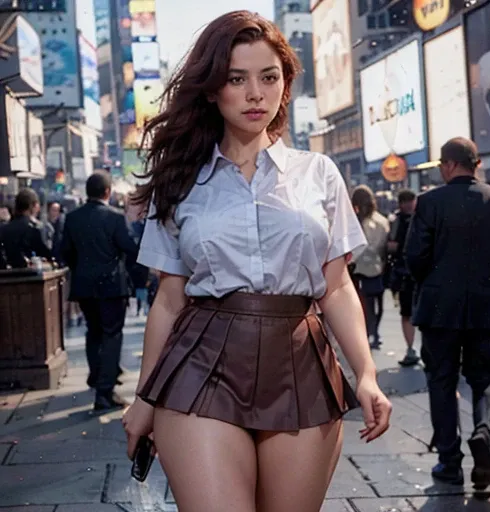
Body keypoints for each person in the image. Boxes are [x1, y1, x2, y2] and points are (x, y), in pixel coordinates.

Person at [122, 11, 392, 512]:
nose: (255, 94)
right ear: (210, 90)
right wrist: (143, 398)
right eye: (236, 79)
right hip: (200, 362)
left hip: (301, 363)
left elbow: (336, 289)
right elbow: (168, 299)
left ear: (285, 85)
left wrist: (367, 373)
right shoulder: (181, 180)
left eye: (269, 77)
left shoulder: (320, 173)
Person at [405, 137, 490, 490]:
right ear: (476, 163)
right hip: (487, 307)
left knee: (442, 381)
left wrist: (435, 280)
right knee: (487, 377)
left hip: (439, 309)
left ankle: (449, 462)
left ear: (448, 165)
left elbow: (415, 257)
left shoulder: (430, 203)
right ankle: (484, 432)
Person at [61, 171, 138, 411]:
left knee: (93, 331)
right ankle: (105, 393)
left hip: (84, 286)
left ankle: (97, 377)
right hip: (112, 285)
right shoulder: (114, 218)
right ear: (107, 191)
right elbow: (129, 246)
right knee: (112, 334)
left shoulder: (72, 218)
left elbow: (65, 252)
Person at [351, 185, 390, 350]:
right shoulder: (382, 220)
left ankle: (369, 332)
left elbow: (359, 247)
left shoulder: (360, 222)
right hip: (379, 266)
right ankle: (375, 332)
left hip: (360, 268)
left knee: (366, 303)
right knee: (378, 302)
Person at [387, 189, 420, 367]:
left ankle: (413, 349)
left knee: (410, 313)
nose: (408, 204)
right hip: (408, 274)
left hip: (413, 273)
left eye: (410, 200)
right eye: (405, 201)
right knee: (407, 312)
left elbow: (391, 247)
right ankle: (410, 348)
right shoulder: (398, 221)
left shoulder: (400, 220)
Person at [0, 188, 51, 268]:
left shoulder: (4, 228)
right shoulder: (34, 228)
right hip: (29, 274)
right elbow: (44, 251)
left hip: (6, 275)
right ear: (33, 206)